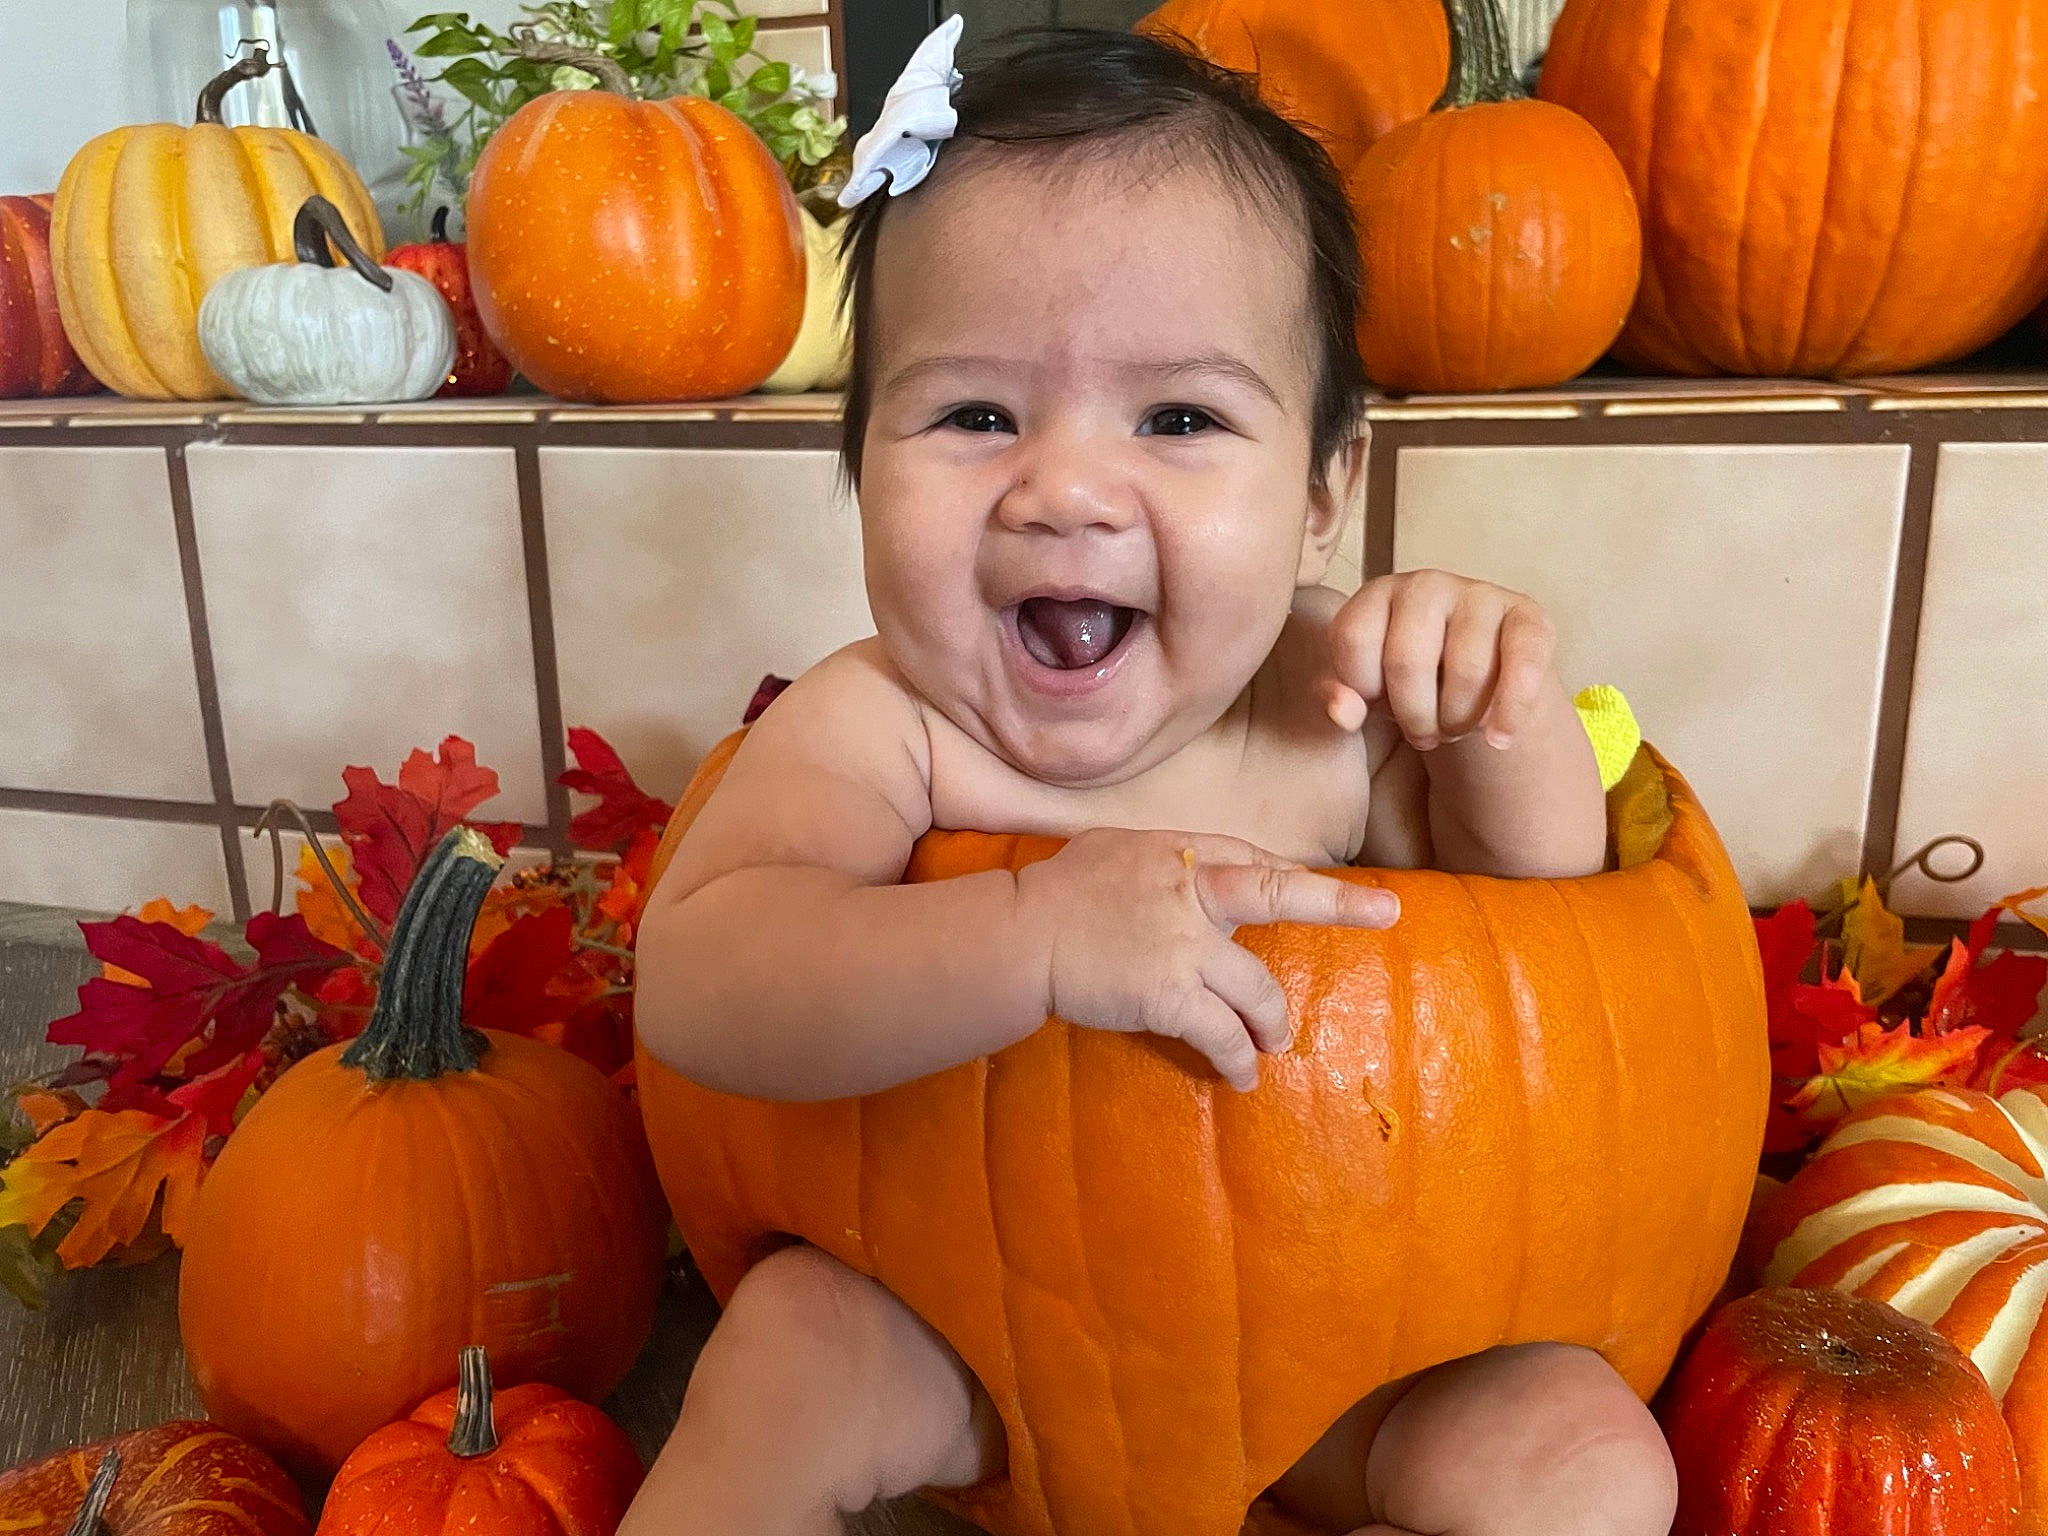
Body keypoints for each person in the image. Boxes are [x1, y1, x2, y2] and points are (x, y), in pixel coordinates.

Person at [627, 19, 1672, 1536]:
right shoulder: (883, 726)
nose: (1062, 490)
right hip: (965, 1341)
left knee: (1586, 1456)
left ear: (1321, 493)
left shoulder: (1336, 704)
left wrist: (1494, 720)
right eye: (975, 415)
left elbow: (1556, 940)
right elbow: (703, 981)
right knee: (791, 1356)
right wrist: (1029, 936)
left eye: (1180, 418)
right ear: (857, 465)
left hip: (1342, 1361)